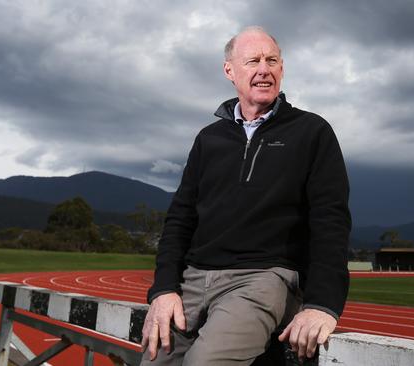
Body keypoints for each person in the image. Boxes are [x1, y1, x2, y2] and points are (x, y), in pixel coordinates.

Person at [141, 26, 351, 365]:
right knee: (155, 360)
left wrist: (321, 305)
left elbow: (331, 220)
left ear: (282, 68)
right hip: (194, 279)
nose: (263, 70)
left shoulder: (312, 131)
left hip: (262, 278)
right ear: (230, 71)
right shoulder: (209, 138)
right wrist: (164, 289)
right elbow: (180, 218)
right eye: (252, 60)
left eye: (272, 60)